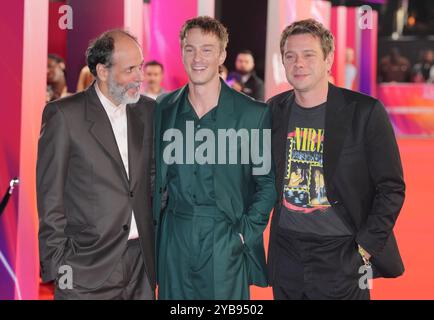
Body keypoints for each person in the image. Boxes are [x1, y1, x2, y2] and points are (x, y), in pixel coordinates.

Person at [267, 19, 405, 300]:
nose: (298, 63)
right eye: (290, 56)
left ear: (328, 59)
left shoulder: (364, 112)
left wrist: (364, 247)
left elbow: (391, 187)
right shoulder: (274, 110)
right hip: (286, 255)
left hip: (342, 254)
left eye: (309, 55)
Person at [153, 16, 276, 300]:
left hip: (225, 236)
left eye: (207, 50)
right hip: (175, 236)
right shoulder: (162, 108)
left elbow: (267, 182)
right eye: (190, 49)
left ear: (222, 55)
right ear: (181, 51)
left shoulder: (252, 114)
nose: (197, 58)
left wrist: (245, 233)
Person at [37, 29, 156, 300]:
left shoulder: (149, 111)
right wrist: (59, 267)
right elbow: (50, 198)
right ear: (103, 72)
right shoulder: (64, 115)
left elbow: (152, 180)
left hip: (142, 266)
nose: (140, 76)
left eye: (140, 66)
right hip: (85, 266)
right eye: (130, 70)